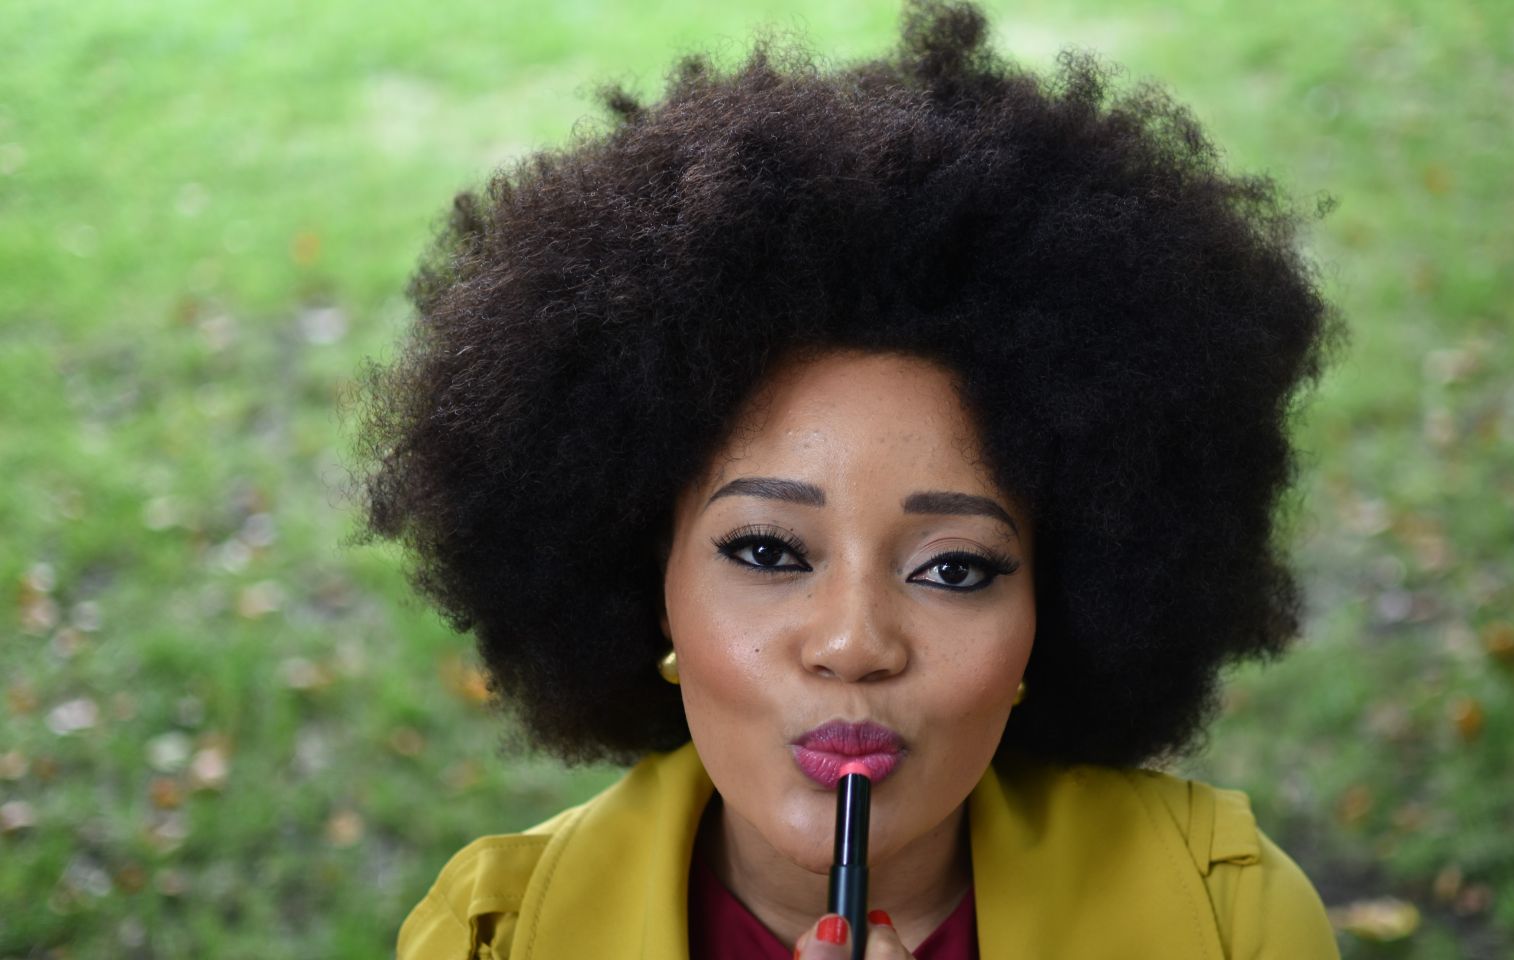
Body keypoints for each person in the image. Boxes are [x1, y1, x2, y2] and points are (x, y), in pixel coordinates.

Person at [344, 0, 1351, 956]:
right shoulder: (494, 938)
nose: (853, 644)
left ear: (1061, 604)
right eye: (768, 551)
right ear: (652, 585)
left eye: (956, 568)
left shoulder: (1224, 916)